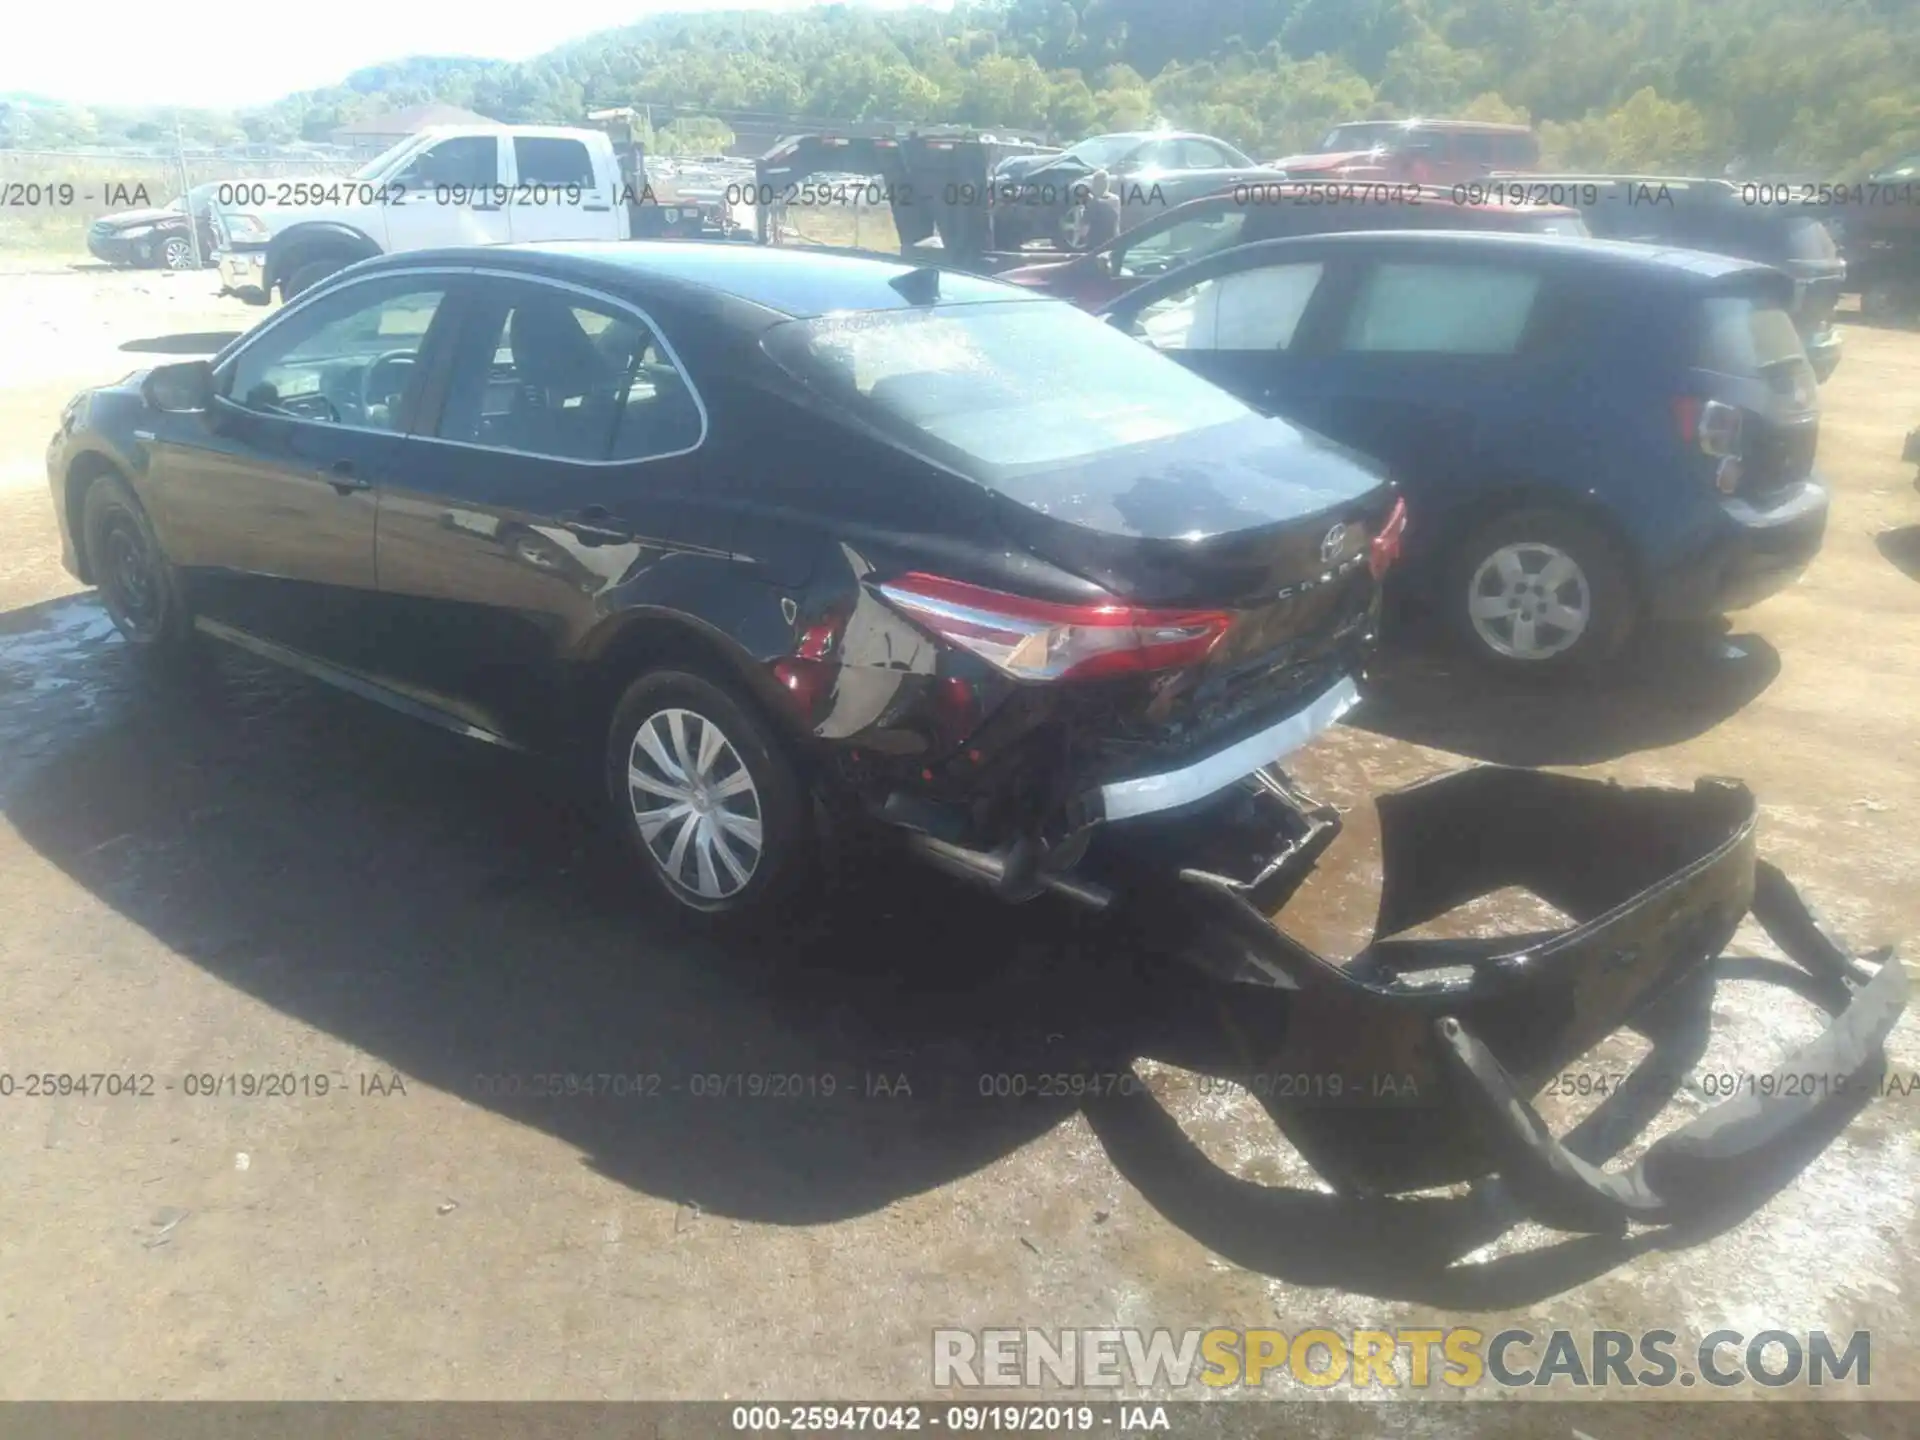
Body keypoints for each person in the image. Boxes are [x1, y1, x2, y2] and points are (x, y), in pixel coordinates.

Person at [1081, 169, 1123, 250]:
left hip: (1095, 245)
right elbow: (1116, 225)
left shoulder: (1092, 203)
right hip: (1111, 242)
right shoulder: (1115, 200)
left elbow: (1083, 230)